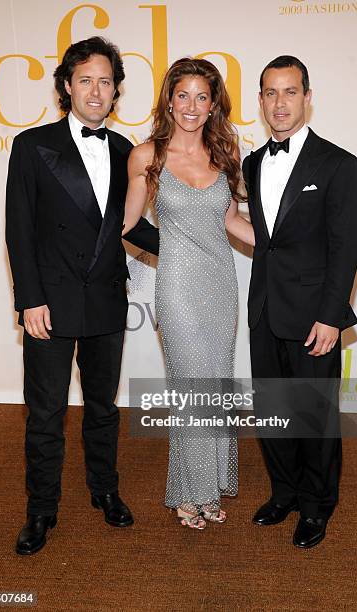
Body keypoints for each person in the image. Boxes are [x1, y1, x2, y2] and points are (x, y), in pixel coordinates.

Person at [5, 37, 159, 555]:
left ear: (116, 90)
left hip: (105, 301)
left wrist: (191, 245)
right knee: (45, 413)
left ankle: (105, 490)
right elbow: (19, 230)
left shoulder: (125, 151)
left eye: (106, 81)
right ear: (67, 87)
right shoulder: (33, 146)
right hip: (50, 301)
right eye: (86, 80)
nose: (96, 90)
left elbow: (129, 226)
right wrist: (29, 299)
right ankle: (41, 509)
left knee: (103, 408)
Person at [122, 58, 255, 529]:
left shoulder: (224, 153)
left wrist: (284, 244)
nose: (192, 106)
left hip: (221, 283)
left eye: (202, 96)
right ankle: (188, 493)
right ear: (169, 99)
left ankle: (208, 485)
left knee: (215, 382)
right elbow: (129, 225)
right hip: (177, 285)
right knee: (190, 386)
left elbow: (232, 222)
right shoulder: (147, 155)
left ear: (214, 103)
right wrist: (176, 246)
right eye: (183, 95)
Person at [242, 56, 357, 548]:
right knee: (273, 411)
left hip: (315, 315)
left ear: (307, 98)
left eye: (290, 92)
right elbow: (264, 239)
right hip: (265, 309)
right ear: (261, 101)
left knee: (313, 416)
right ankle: (284, 492)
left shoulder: (337, 163)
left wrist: (331, 316)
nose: (279, 103)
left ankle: (316, 505)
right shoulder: (252, 163)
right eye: (270, 92)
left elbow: (346, 248)